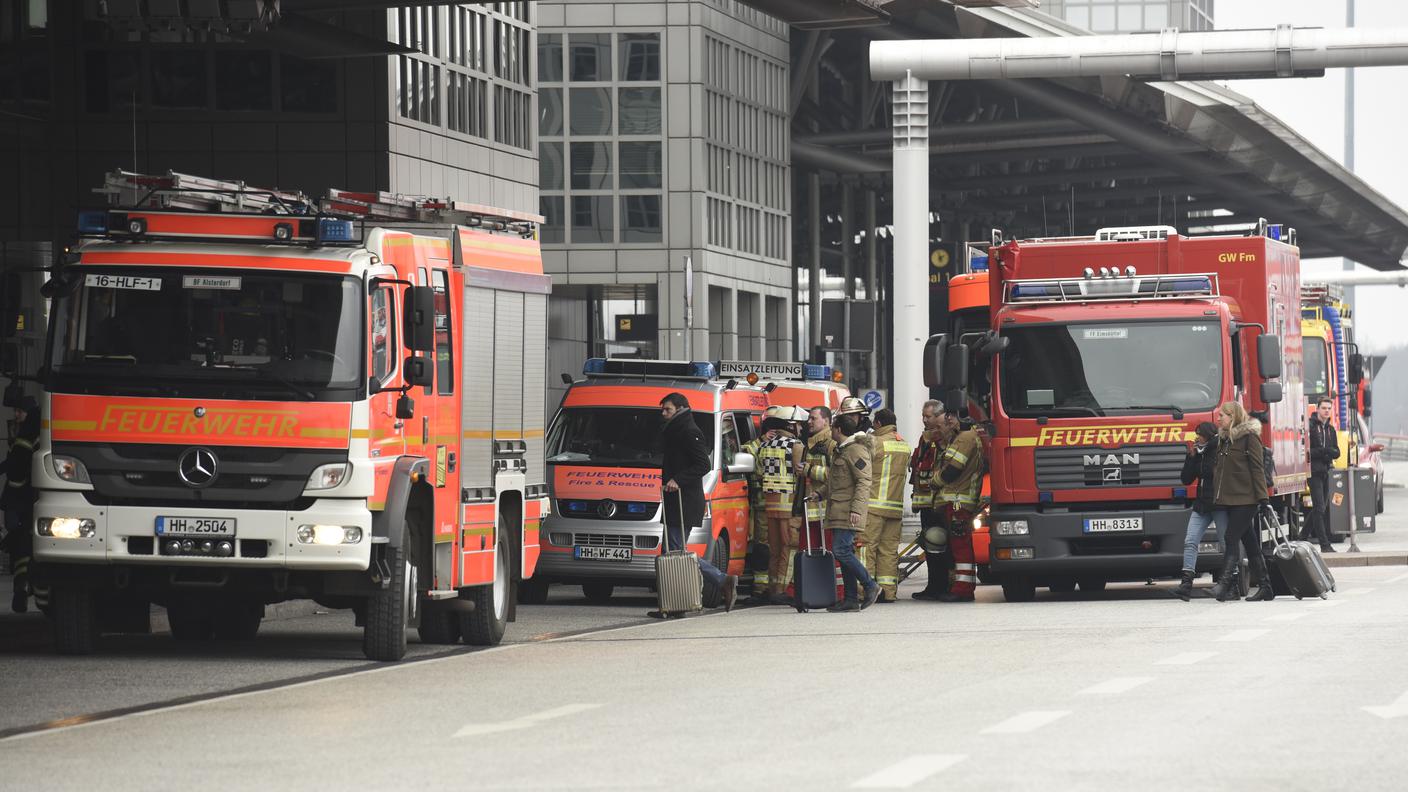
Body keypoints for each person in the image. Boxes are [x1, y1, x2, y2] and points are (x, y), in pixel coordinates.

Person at [654, 392, 738, 614]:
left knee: (676, 553)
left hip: (684, 501)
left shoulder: (689, 431)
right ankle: (674, 603)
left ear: (681, 409)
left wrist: (676, 480)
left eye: (667, 409)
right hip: (676, 499)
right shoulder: (676, 430)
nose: (663, 414)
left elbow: (703, 465)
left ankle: (721, 580)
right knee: (671, 552)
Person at [1209, 401, 1275, 602]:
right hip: (1230, 499)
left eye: (1223, 415)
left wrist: (1263, 498)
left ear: (1233, 417)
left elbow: (1257, 468)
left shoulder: (1249, 438)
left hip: (1247, 498)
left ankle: (1224, 584)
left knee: (1230, 537)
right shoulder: (1224, 439)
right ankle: (1266, 587)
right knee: (1250, 542)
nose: (1218, 418)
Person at [824, 398, 881, 612]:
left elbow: (864, 481)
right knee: (843, 551)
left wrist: (857, 510)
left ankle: (870, 585)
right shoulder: (842, 450)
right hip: (839, 510)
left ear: (838, 429)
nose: (830, 430)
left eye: (832, 427)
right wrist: (819, 494)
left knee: (840, 550)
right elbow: (837, 482)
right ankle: (850, 599)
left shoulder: (855, 450)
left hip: (849, 511)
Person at [754, 405, 807, 606]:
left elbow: (759, 473)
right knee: (788, 548)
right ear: (791, 426)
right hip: (789, 506)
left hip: (770, 505)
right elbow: (801, 475)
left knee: (774, 549)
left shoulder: (764, 446)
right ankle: (782, 590)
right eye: (798, 425)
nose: (800, 429)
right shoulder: (795, 445)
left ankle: (772, 587)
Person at [933, 408, 984, 603]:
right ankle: (962, 587)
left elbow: (952, 469)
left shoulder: (965, 438)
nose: (949, 420)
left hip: (958, 501)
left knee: (961, 546)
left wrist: (935, 482)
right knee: (959, 546)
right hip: (960, 500)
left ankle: (963, 589)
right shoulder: (969, 436)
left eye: (951, 417)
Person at [1173, 421, 1227, 601]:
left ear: (1209, 436)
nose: (1197, 438)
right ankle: (1186, 584)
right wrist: (1191, 457)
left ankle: (1230, 582)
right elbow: (1186, 479)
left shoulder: (1218, 450)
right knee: (1190, 541)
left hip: (1219, 504)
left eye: (1200, 434)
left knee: (1226, 543)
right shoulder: (1199, 453)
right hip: (1202, 505)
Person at [863, 409, 911, 603]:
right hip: (895, 507)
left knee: (867, 549)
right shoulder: (904, 445)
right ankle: (888, 592)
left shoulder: (874, 443)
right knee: (889, 551)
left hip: (873, 505)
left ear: (879, 424)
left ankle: (864, 590)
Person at [909, 400, 953, 599]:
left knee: (941, 545)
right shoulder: (925, 437)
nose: (924, 419)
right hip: (927, 502)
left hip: (941, 502)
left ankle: (944, 586)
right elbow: (919, 465)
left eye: (928, 416)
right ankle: (934, 586)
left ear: (939, 416)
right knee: (930, 545)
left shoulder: (947, 436)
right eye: (923, 416)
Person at [2, 396, 39, 613]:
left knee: (19, 540)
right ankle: (24, 585)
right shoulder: (31, 432)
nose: (16, 415)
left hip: (20, 500)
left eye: (20, 411)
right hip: (27, 500)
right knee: (22, 541)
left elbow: (16, 467)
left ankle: (23, 585)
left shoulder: (27, 435)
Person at [1306, 398, 1340, 552]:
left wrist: (1328, 452)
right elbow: (1308, 452)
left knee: (1321, 508)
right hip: (1314, 472)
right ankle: (1324, 545)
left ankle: (1301, 536)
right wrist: (1325, 451)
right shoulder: (1311, 427)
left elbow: (1337, 451)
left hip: (1327, 470)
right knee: (1319, 508)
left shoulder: (1330, 429)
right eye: (1324, 408)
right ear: (1318, 409)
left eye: (1329, 408)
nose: (1327, 411)